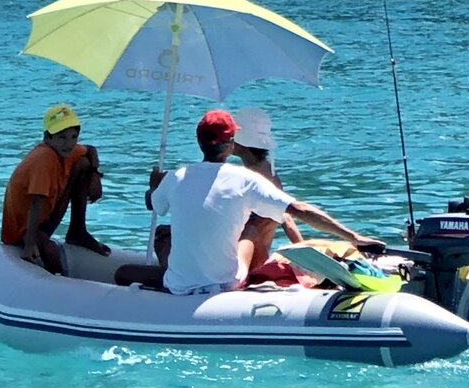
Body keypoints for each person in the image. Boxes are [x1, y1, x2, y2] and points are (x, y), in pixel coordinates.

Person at [148, 109, 368, 296]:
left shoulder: (176, 177)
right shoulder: (247, 180)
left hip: (184, 285)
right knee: (247, 232)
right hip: (228, 281)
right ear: (231, 144)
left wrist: (155, 186)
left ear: (198, 141)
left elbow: (154, 204)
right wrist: (353, 237)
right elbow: (297, 209)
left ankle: (171, 294)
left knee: (135, 262)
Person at [1, 104, 109, 276]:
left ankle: (77, 230)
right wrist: (30, 243)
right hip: (25, 228)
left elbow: (90, 150)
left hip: (45, 217)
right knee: (52, 253)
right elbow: (36, 201)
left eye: (73, 136)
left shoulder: (67, 150)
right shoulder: (45, 158)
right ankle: (59, 284)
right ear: (47, 138)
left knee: (84, 164)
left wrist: (95, 175)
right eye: (62, 137)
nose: (69, 143)